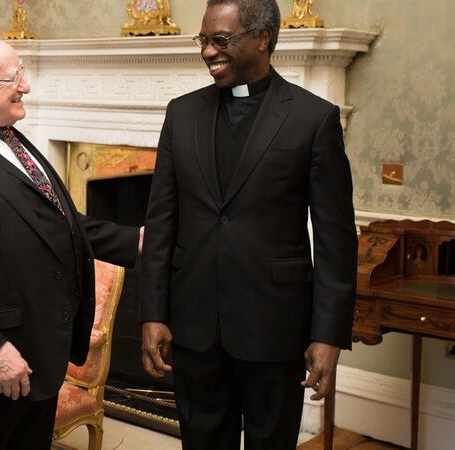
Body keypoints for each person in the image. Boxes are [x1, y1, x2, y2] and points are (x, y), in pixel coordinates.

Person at [139, 0, 357, 448]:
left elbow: (336, 240)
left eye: (221, 40)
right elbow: (160, 222)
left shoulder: (313, 120)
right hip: (194, 327)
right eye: (203, 40)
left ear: (263, 38)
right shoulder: (181, 114)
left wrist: (328, 335)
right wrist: (153, 313)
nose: (207, 52)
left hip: (275, 328)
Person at [0, 37, 142, 450]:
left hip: (42, 353)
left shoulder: (13, 138)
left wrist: (138, 241)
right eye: (13, 77)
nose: (26, 85)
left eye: (22, 73)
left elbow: (58, 222)